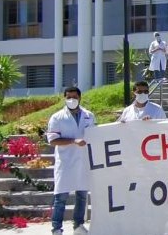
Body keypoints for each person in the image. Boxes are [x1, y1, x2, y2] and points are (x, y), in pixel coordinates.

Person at [47, 86, 96, 235]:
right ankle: (56, 228)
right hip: (66, 162)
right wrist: (73, 141)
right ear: (64, 98)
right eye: (68, 97)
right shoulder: (57, 117)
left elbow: (95, 133)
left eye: (74, 97)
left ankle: (78, 226)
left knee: (82, 196)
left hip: (83, 160)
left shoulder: (89, 115)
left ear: (80, 97)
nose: (71, 100)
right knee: (61, 197)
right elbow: (53, 140)